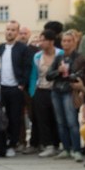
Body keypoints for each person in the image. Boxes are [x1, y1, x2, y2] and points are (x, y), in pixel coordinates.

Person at [0, 21, 32, 158]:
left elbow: (28, 67)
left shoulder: (23, 49)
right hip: (1, 88)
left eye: (13, 30)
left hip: (16, 88)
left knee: (15, 118)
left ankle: (12, 144)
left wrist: (22, 84)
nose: (10, 32)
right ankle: (1, 145)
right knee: (0, 118)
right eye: (8, 29)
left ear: (17, 33)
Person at [46, 31, 83, 162]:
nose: (66, 43)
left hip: (69, 91)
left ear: (74, 42)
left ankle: (77, 150)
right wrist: (58, 72)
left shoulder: (79, 57)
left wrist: (68, 73)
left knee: (72, 121)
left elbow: (79, 74)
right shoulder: (58, 57)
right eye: (64, 41)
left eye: (69, 41)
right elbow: (48, 75)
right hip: (56, 91)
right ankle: (66, 149)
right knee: (61, 122)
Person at [28, 30, 62, 158]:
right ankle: (47, 145)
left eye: (43, 40)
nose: (40, 43)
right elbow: (33, 75)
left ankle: (57, 143)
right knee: (42, 119)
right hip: (41, 89)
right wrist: (32, 92)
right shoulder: (37, 56)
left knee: (56, 118)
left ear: (51, 41)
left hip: (56, 89)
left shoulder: (60, 54)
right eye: (39, 40)